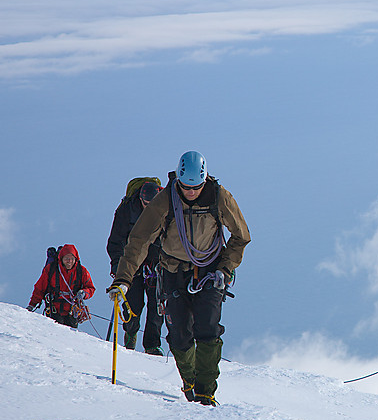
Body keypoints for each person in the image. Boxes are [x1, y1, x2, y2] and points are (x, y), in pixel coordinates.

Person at [107, 151, 250, 406]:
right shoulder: (165, 200)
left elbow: (241, 236)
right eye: (186, 187)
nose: (191, 192)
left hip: (210, 272)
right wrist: (123, 280)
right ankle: (190, 381)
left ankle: (206, 394)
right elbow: (139, 240)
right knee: (179, 337)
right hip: (172, 273)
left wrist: (225, 268)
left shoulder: (219, 197)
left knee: (207, 330)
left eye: (196, 187)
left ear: (204, 181)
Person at [107, 180, 165, 355]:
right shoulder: (126, 210)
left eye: (151, 205)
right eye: (145, 204)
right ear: (140, 198)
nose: (148, 208)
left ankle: (152, 345)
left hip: (156, 263)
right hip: (131, 263)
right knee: (132, 303)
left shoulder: (165, 207)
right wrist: (118, 266)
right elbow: (115, 241)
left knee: (157, 305)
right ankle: (130, 332)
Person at [28, 244, 96, 328]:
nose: (69, 261)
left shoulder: (82, 271)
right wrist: (32, 304)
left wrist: (84, 293)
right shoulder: (51, 269)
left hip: (72, 312)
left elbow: (90, 288)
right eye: (66, 258)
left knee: (70, 336)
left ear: (76, 259)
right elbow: (40, 288)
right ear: (61, 259)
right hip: (54, 310)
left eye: (72, 259)